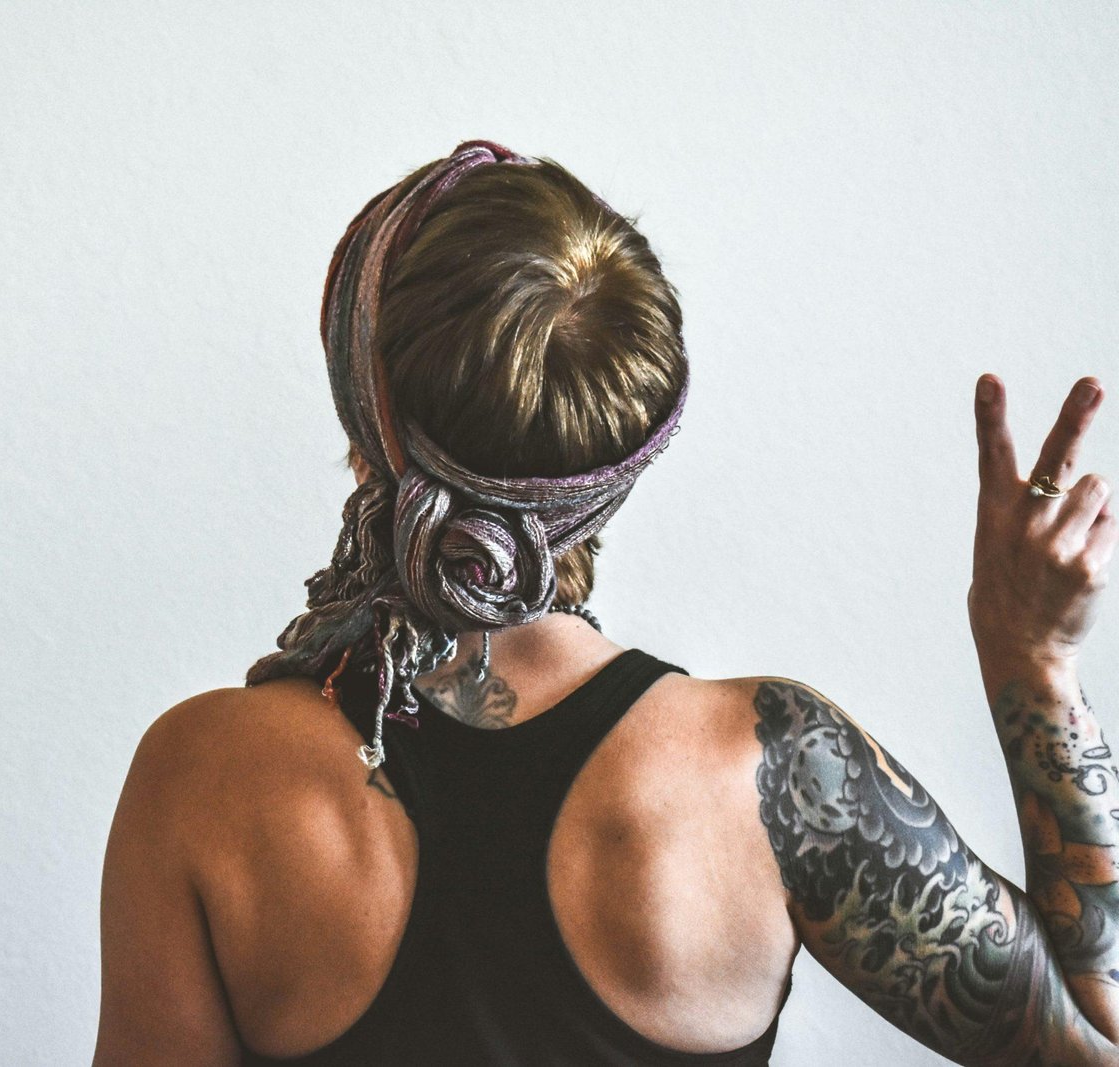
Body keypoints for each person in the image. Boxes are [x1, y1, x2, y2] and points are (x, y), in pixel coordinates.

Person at [94, 141, 1119, 1065]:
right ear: (617, 462)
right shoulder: (771, 772)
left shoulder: (202, 781)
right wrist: (1031, 662)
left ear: (366, 409)